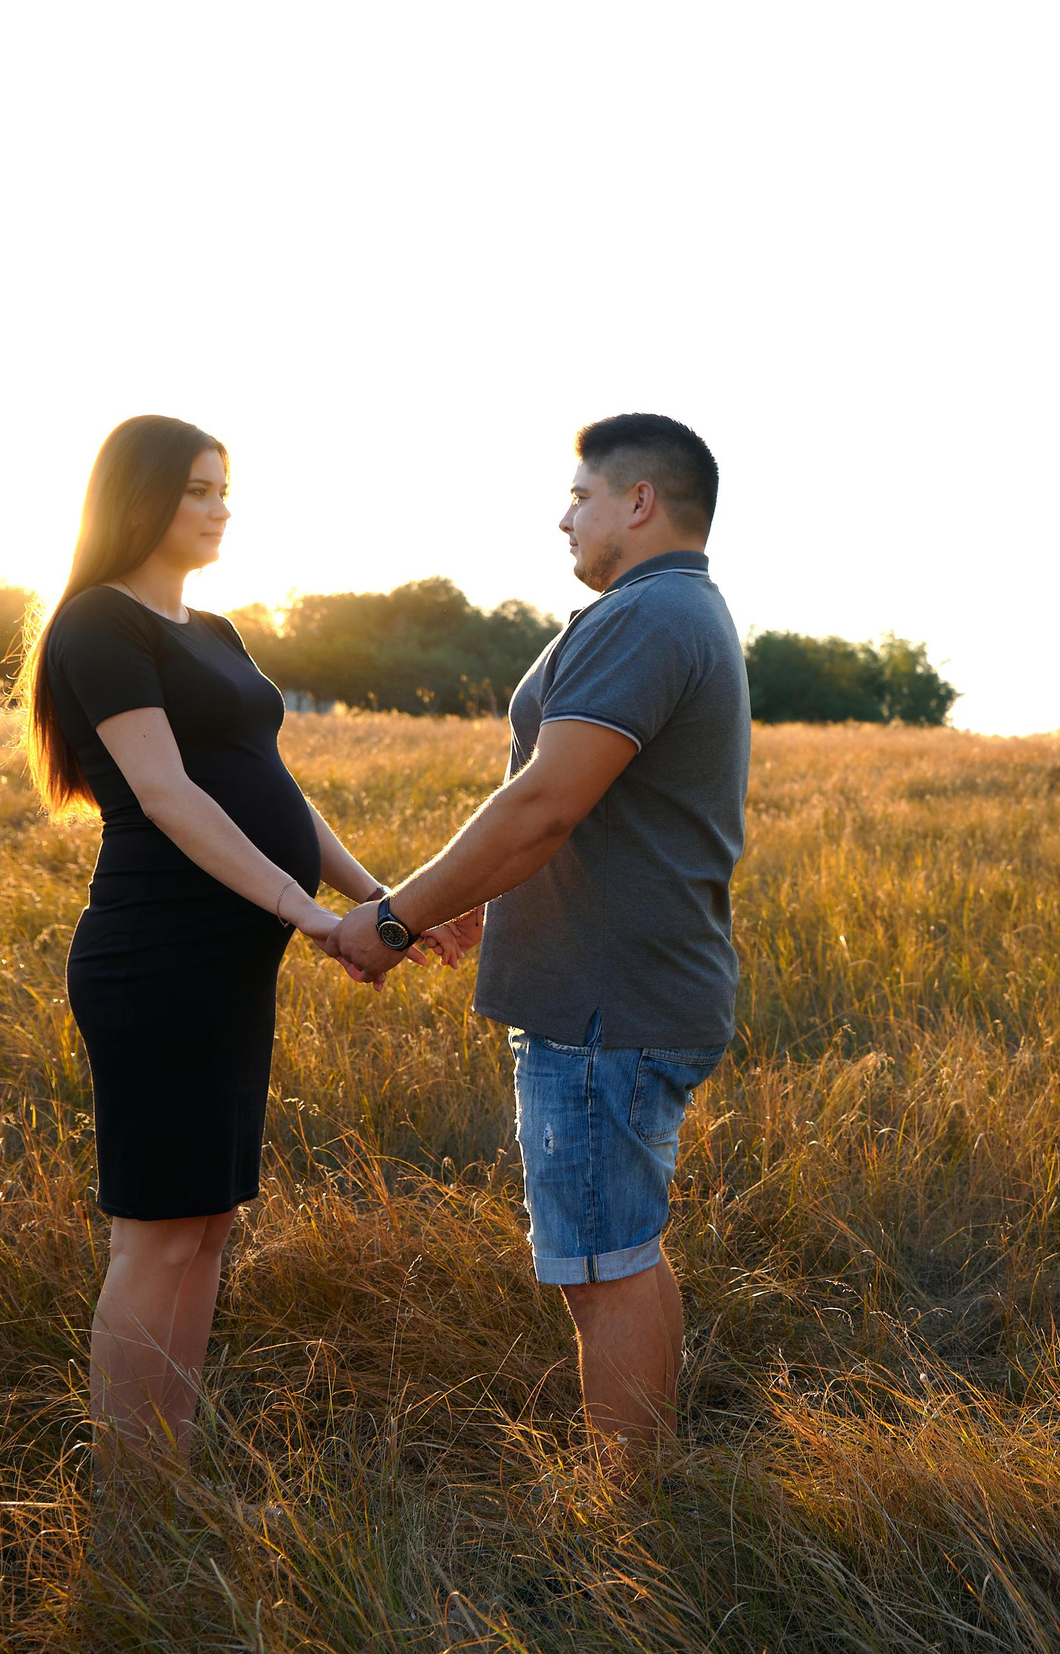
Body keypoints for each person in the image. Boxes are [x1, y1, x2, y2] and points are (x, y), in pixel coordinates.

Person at [17, 414, 465, 1473]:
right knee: (156, 1233)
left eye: (226, 490)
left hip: (226, 967)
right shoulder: (98, 624)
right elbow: (168, 795)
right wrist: (304, 914)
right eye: (200, 491)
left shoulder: (215, 631)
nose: (222, 509)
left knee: (208, 1223)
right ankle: (130, 1500)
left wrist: (378, 894)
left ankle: (164, 1464)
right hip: (157, 957)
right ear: (141, 499)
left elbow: (276, 791)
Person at [330, 412, 747, 1467]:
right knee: (620, 1253)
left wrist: (393, 917)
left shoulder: (647, 615)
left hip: (606, 1005)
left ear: (639, 501)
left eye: (580, 494)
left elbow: (545, 805)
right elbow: (555, 809)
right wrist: (482, 895)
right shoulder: (665, 610)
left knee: (603, 1264)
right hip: (617, 992)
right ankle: (641, 1484)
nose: (563, 515)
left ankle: (630, 1514)